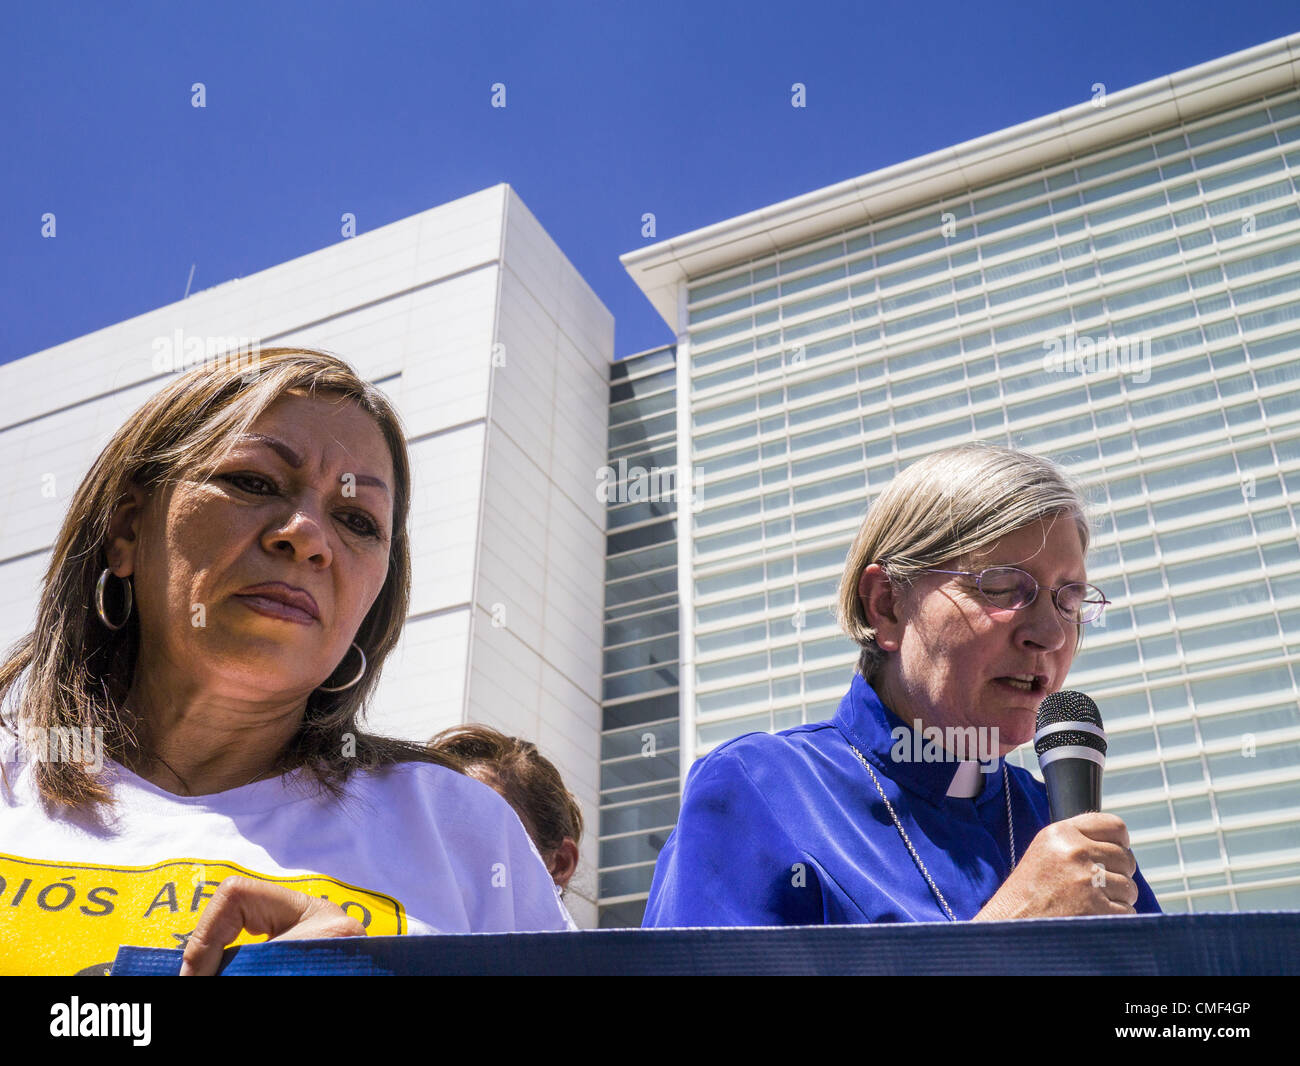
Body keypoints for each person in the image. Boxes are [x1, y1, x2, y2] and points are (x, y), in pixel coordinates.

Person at [0, 346, 571, 976]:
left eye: (356, 519)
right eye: (254, 482)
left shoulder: (461, 828)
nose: (306, 535)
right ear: (127, 529)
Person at [644, 443, 1162, 927]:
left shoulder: (1068, 834)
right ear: (887, 605)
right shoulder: (759, 790)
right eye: (1003, 589)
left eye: (1069, 602)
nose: (1049, 634)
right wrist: (1003, 942)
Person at [428, 724, 583, 925]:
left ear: (560, 864)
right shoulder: (383, 948)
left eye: (485, 828)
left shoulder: (613, 955)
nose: (443, 852)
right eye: (431, 830)